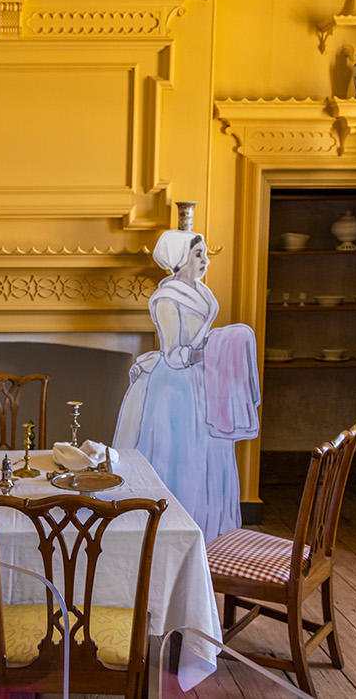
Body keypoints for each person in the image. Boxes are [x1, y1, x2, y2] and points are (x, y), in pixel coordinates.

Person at [113, 230, 260, 542]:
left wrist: (220, 345)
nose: (205, 260)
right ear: (181, 259)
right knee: (181, 457)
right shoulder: (166, 299)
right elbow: (174, 354)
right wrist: (212, 349)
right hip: (175, 388)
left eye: (205, 253)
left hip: (202, 380)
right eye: (198, 254)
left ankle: (207, 533)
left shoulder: (201, 291)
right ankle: (172, 534)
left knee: (207, 454)